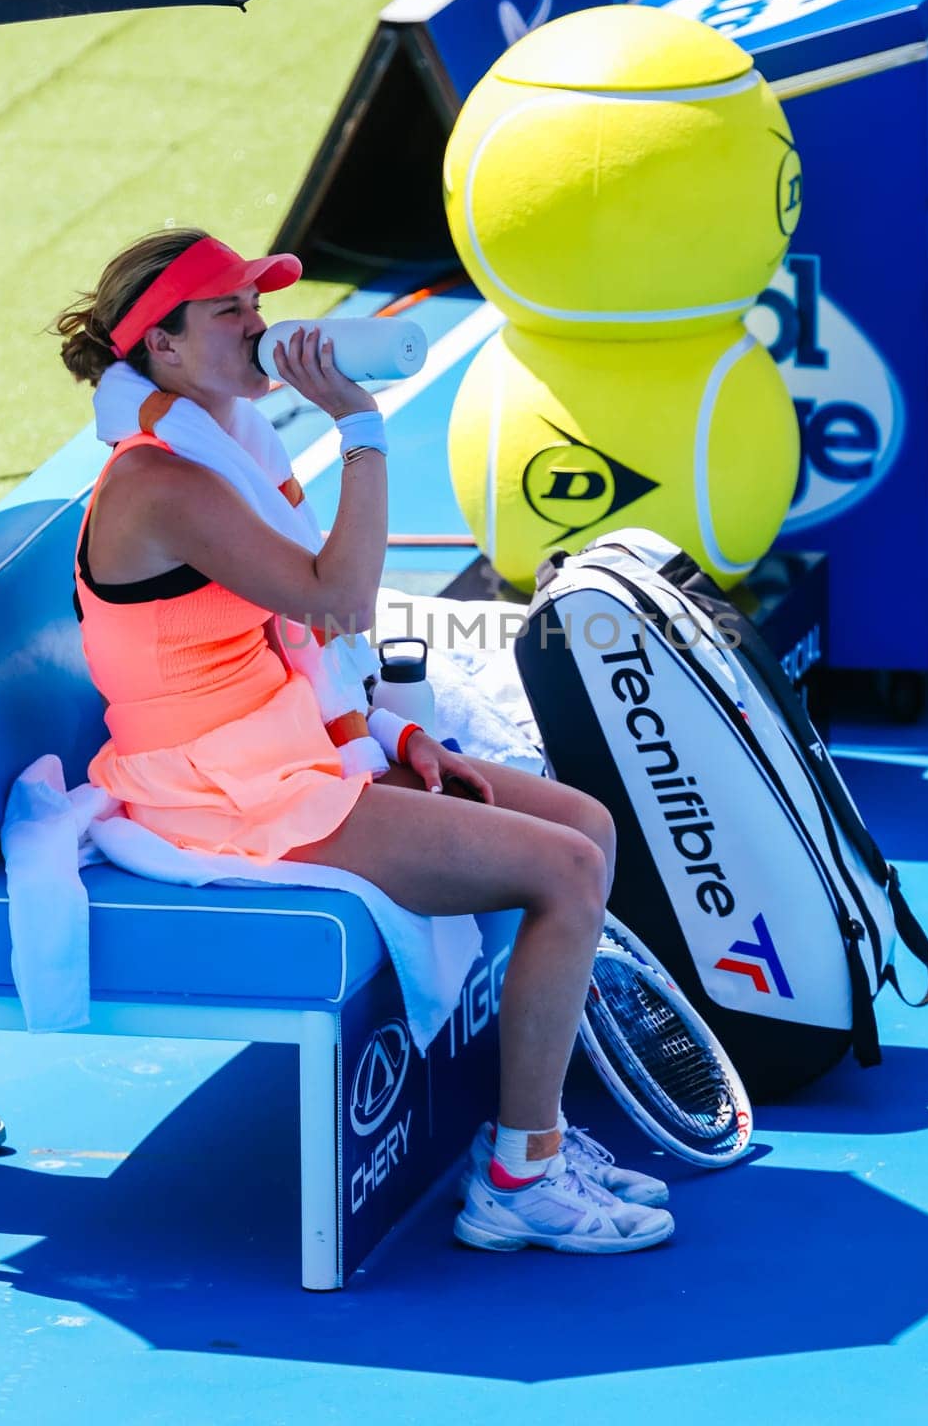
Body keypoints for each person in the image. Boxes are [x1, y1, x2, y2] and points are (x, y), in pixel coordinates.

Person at [54, 227, 675, 1256]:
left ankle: (521, 1129)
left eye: (258, 308)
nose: (261, 331)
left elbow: (292, 640)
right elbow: (338, 600)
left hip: (281, 747)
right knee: (564, 872)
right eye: (229, 315)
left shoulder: (222, 447)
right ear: (160, 348)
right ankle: (520, 1174)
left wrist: (379, 728)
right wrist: (362, 426)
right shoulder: (162, 484)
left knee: (582, 822)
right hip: (219, 790)